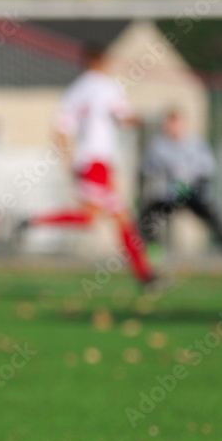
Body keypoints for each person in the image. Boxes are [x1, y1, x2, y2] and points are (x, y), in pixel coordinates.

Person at [17, 45, 156, 290]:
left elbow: (60, 130)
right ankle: (145, 275)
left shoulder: (75, 90)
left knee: (90, 218)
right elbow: (124, 118)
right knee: (122, 218)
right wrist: (142, 119)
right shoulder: (107, 86)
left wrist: (68, 160)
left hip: (86, 162)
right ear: (102, 61)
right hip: (99, 162)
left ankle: (33, 221)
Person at [138, 109, 222, 268]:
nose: (171, 128)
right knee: (147, 215)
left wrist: (192, 183)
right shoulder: (158, 144)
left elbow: (208, 168)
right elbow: (147, 168)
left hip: (194, 193)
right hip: (170, 195)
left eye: (174, 124)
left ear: (182, 125)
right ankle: (154, 250)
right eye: (168, 125)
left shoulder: (196, 142)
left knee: (216, 223)